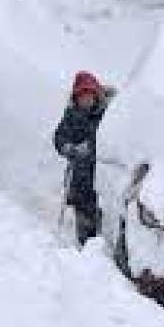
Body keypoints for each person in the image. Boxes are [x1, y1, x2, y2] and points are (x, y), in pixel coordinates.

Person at [54, 71, 117, 246]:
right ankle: (86, 253)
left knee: (105, 215)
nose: (86, 100)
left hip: (103, 175)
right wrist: (68, 148)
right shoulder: (72, 115)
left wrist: (92, 147)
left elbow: (114, 139)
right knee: (84, 215)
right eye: (81, 96)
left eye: (89, 95)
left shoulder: (109, 114)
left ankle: (106, 252)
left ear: (96, 95)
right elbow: (60, 137)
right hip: (80, 177)